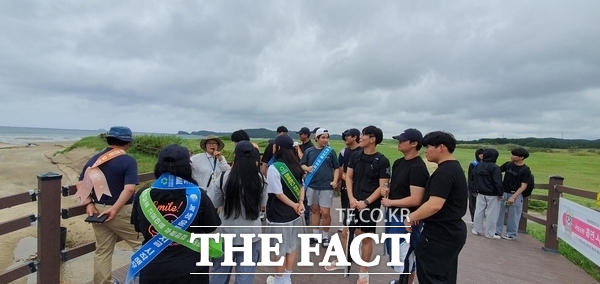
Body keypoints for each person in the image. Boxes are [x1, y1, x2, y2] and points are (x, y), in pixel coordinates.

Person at [131, 144, 221, 284]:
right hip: (191, 269)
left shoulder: (143, 194)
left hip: (153, 267)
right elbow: (212, 232)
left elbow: (138, 227)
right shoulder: (198, 195)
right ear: (187, 167)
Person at [74, 126, 143, 284]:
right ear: (128, 142)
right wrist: (115, 208)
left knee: (103, 250)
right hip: (121, 210)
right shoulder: (128, 160)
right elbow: (130, 188)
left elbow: (80, 184)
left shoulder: (95, 159)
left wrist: (89, 203)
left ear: (108, 140)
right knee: (143, 244)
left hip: (97, 209)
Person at [404, 131, 467, 284]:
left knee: (430, 277)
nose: (425, 150)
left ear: (441, 147)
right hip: (453, 231)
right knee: (445, 276)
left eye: (428, 146)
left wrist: (411, 217)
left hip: (439, 234)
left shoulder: (444, 173)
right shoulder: (454, 168)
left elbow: (434, 205)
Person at [211, 141, 268, 284]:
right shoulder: (260, 179)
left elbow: (214, 202)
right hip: (251, 235)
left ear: (235, 157)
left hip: (225, 233)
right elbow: (263, 205)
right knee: (245, 278)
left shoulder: (224, 177)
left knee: (219, 275)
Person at [381, 128, 429, 284]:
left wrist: (391, 202)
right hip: (394, 214)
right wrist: (387, 190)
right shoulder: (399, 162)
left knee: (406, 252)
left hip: (407, 218)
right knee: (396, 251)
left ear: (414, 144)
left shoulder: (418, 167)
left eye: (402, 140)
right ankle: (401, 280)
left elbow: (416, 199)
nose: (399, 143)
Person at [345, 125, 391, 284]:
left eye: (364, 135)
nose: (361, 137)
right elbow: (349, 177)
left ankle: (363, 269)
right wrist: (351, 198)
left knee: (366, 236)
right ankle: (350, 257)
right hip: (353, 201)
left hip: (369, 204)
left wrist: (366, 202)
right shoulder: (355, 156)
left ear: (372, 139)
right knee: (353, 231)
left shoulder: (382, 160)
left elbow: (383, 186)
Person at [265, 134, 305, 284]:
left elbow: (278, 194)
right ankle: (287, 278)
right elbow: (302, 186)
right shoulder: (297, 165)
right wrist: (299, 203)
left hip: (279, 215)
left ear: (278, 148)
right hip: (296, 215)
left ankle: (278, 280)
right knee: (292, 246)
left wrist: (295, 204)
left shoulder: (274, 167)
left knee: (279, 249)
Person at [324, 128, 362, 271]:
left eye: (347, 136)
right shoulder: (344, 152)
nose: (345, 138)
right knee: (346, 225)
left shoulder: (362, 153)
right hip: (347, 194)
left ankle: (353, 253)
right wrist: (339, 182)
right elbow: (340, 169)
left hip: (361, 194)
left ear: (355, 137)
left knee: (359, 227)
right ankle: (344, 256)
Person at [300, 128, 340, 248]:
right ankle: (315, 235)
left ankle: (325, 236)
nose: (325, 140)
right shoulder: (309, 151)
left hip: (326, 186)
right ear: (316, 138)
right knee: (315, 210)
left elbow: (336, 167)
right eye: (323, 137)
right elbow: (302, 164)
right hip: (312, 185)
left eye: (327, 137)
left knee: (326, 212)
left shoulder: (330, 152)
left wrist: (335, 180)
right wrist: (307, 169)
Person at [496, 147, 532, 240]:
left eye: (514, 155)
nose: (512, 156)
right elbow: (497, 171)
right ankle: (497, 231)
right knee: (499, 212)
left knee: (513, 215)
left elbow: (524, 186)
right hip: (504, 192)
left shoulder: (525, 170)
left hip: (515, 194)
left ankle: (511, 234)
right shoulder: (508, 165)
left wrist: (513, 197)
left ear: (521, 157)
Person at [471, 148, 504, 239]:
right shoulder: (495, 167)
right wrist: (500, 193)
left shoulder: (478, 166)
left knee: (479, 211)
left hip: (480, 192)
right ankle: (489, 233)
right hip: (492, 194)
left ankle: (476, 229)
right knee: (492, 214)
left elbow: (473, 178)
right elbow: (498, 182)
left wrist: (474, 189)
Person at [191, 135, 231, 202]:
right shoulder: (196, 158)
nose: (211, 145)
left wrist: (221, 159)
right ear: (205, 146)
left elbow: (228, 173)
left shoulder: (221, 158)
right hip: (200, 195)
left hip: (216, 197)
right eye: (209, 143)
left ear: (218, 146)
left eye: (214, 143)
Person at [467, 148, 484, 222]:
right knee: (473, 205)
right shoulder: (473, 164)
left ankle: (480, 220)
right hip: (473, 187)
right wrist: (472, 189)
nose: (482, 155)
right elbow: (470, 177)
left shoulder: (485, 164)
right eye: (480, 154)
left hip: (483, 188)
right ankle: (474, 220)